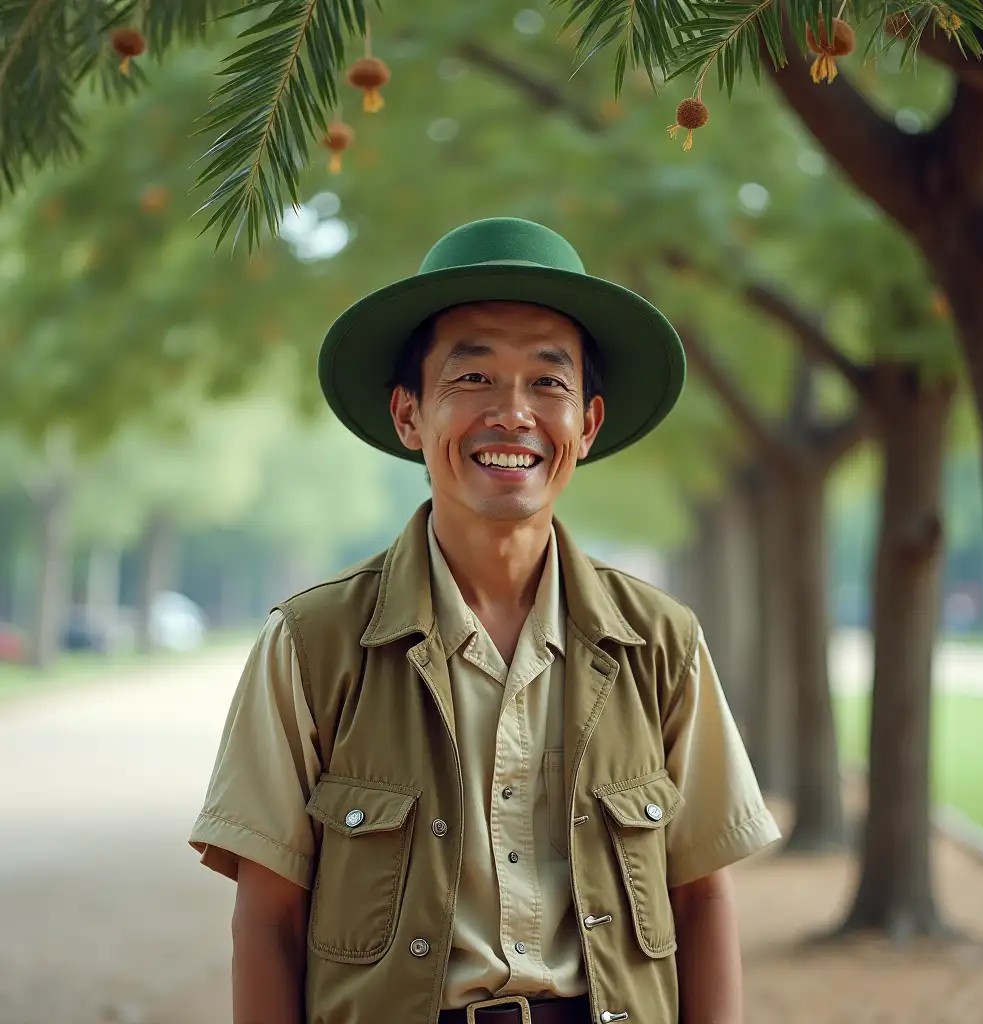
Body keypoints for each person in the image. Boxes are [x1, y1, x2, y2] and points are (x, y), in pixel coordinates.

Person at [189, 217, 781, 1024]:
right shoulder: (311, 645)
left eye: (549, 382)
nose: (513, 414)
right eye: (472, 380)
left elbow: (704, 900)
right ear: (409, 416)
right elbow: (266, 923)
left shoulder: (661, 645)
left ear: (588, 424)